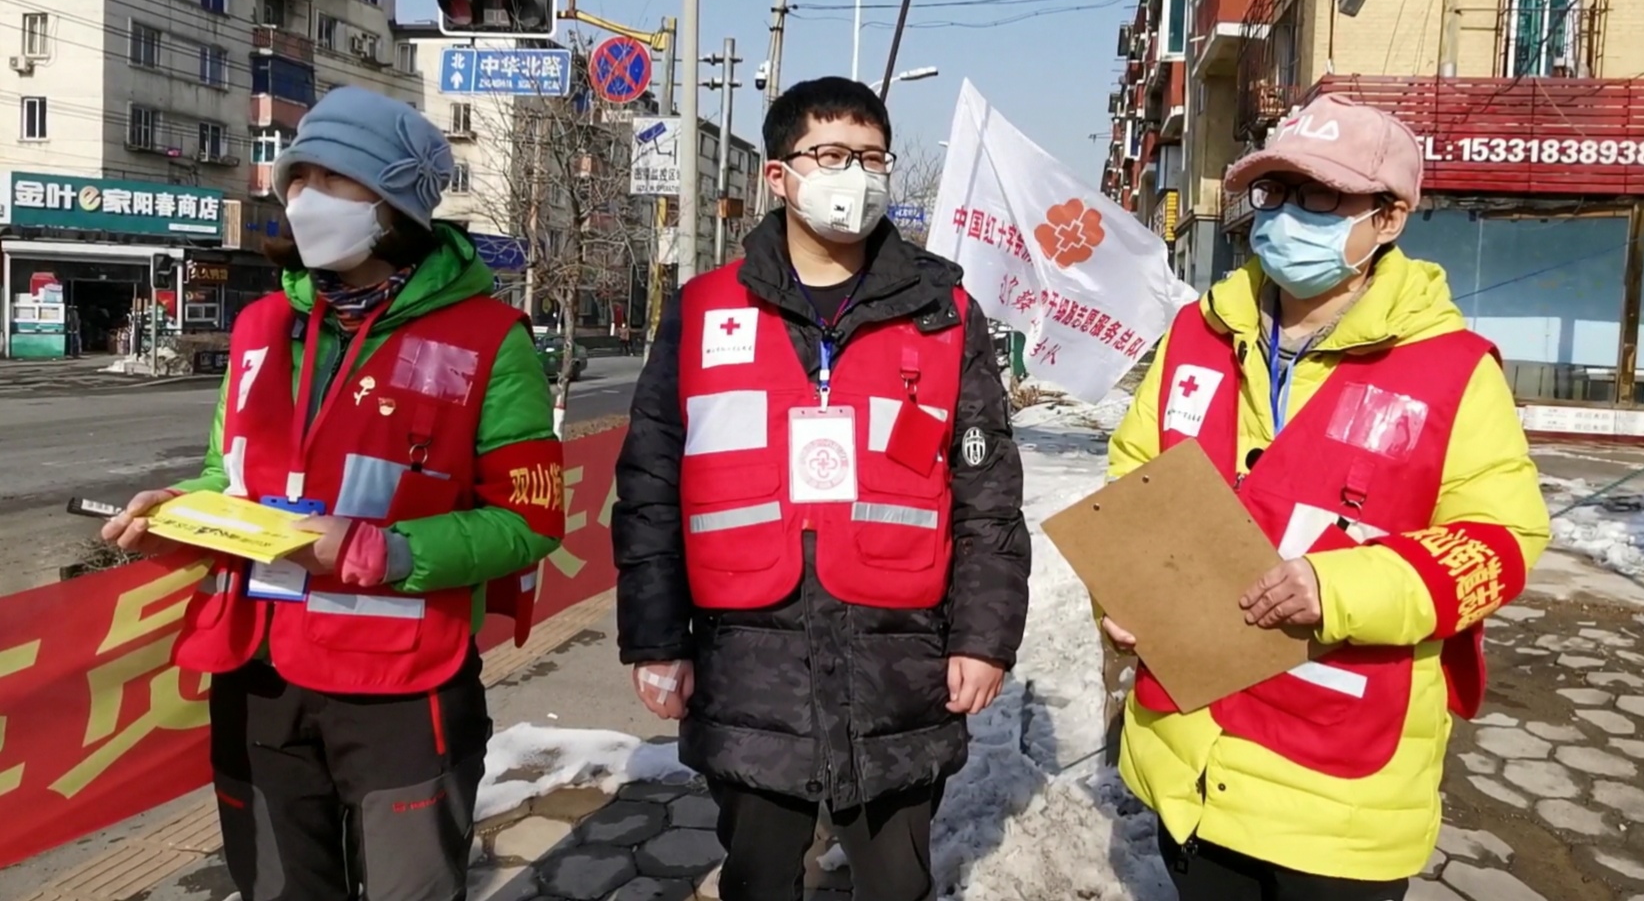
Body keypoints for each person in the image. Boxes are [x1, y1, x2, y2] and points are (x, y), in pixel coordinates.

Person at [102, 87, 564, 901]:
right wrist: (175, 514)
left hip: (400, 688)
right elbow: (228, 477)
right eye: (296, 177)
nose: (305, 198)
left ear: (394, 205)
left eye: (334, 178)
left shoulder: (489, 339)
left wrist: (380, 550)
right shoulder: (260, 327)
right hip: (256, 672)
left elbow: (528, 521)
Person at [1101, 93, 1550, 900]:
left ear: (1390, 218)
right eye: (1272, 192)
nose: (1283, 218)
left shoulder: (1452, 370)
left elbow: (1500, 542)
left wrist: (1338, 588)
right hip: (1186, 763)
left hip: (1339, 793)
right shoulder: (1199, 334)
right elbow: (1134, 471)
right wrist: (1128, 583)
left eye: (1319, 196)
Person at [613, 76, 1030, 901]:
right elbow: (652, 485)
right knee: (760, 881)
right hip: (747, 664)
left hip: (900, 665)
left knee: (897, 886)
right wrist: (656, 640)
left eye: (873, 158)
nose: (857, 176)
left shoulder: (942, 313)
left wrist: (983, 639)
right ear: (778, 175)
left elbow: (988, 495)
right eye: (832, 155)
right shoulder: (704, 311)